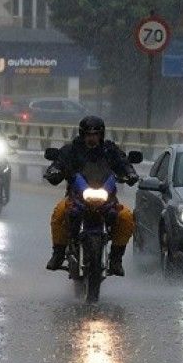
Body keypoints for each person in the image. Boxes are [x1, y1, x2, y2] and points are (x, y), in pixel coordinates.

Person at [43, 116, 139, 276]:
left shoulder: (109, 150)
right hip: (77, 197)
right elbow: (59, 162)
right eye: (88, 134)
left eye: (95, 134)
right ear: (82, 134)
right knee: (59, 212)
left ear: (101, 135)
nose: (92, 138)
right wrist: (55, 170)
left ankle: (116, 258)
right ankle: (58, 253)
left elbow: (123, 163)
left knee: (126, 217)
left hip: (107, 198)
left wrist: (129, 173)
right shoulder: (72, 150)